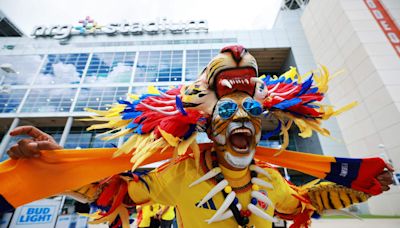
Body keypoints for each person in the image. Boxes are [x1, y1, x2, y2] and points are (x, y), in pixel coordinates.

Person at [2, 45, 395, 228]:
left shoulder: (271, 178)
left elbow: (302, 204)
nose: (241, 118)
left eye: (252, 111)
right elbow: (113, 192)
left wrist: (363, 187)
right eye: (226, 110)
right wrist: (58, 164)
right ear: (209, 125)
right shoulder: (180, 173)